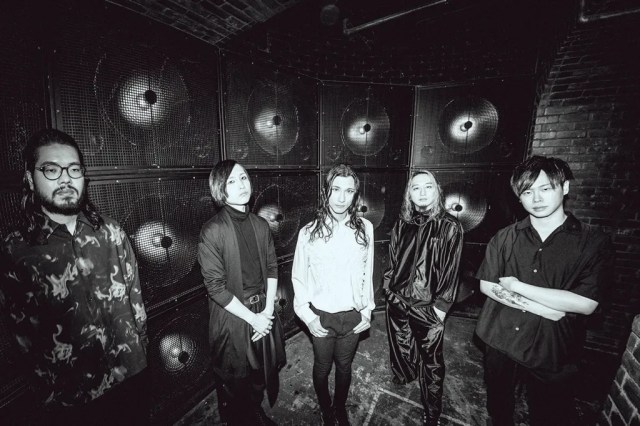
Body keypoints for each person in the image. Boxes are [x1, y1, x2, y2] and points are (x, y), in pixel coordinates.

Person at [0, 129, 148, 424]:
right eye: (51, 170)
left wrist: (141, 349)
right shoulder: (15, 251)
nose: (66, 179)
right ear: (30, 178)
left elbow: (136, 300)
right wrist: (46, 390)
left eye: (74, 169)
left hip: (130, 374)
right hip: (71, 396)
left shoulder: (110, 232)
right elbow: (18, 337)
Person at [475, 155, 612, 426]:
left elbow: (586, 304)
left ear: (565, 187)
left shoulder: (593, 242)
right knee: (499, 410)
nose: (536, 198)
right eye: (527, 192)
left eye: (545, 188)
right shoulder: (505, 237)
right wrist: (543, 307)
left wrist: (517, 286)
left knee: (550, 414)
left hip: (553, 346)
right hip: (500, 338)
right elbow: (487, 285)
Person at [197, 159, 286, 426]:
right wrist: (253, 319)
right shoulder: (212, 230)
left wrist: (267, 312)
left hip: (262, 310)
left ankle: (255, 412)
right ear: (220, 189)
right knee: (235, 380)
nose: (241, 185)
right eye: (232, 181)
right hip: (233, 314)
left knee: (260, 373)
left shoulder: (260, 224)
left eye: (244, 178)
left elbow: (272, 267)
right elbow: (216, 288)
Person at [292, 164, 375, 426]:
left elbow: (368, 272)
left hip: (352, 316)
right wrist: (308, 317)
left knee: (344, 367)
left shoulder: (365, 228)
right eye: (336, 189)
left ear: (355, 195)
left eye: (349, 191)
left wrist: (367, 310)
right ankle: (326, 409)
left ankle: (339, 407)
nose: (341, 198)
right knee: (322, 367)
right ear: (326, 191)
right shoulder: (308, 232)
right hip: (322, 316)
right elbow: (298, 277)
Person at [383, 169, 464, 426]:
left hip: (428, 307)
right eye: (416, 187)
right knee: (401, 343)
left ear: (437, 190)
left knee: (432, 363)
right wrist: (388, 288)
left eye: (428, 186)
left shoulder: (450, 226)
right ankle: (404, 375)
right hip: (398, 300)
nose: (422, 192)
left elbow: (452, 270)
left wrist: (441, 307)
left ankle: (432, 412)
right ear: (409, 194)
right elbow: (393, 258)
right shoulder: (403, 223)